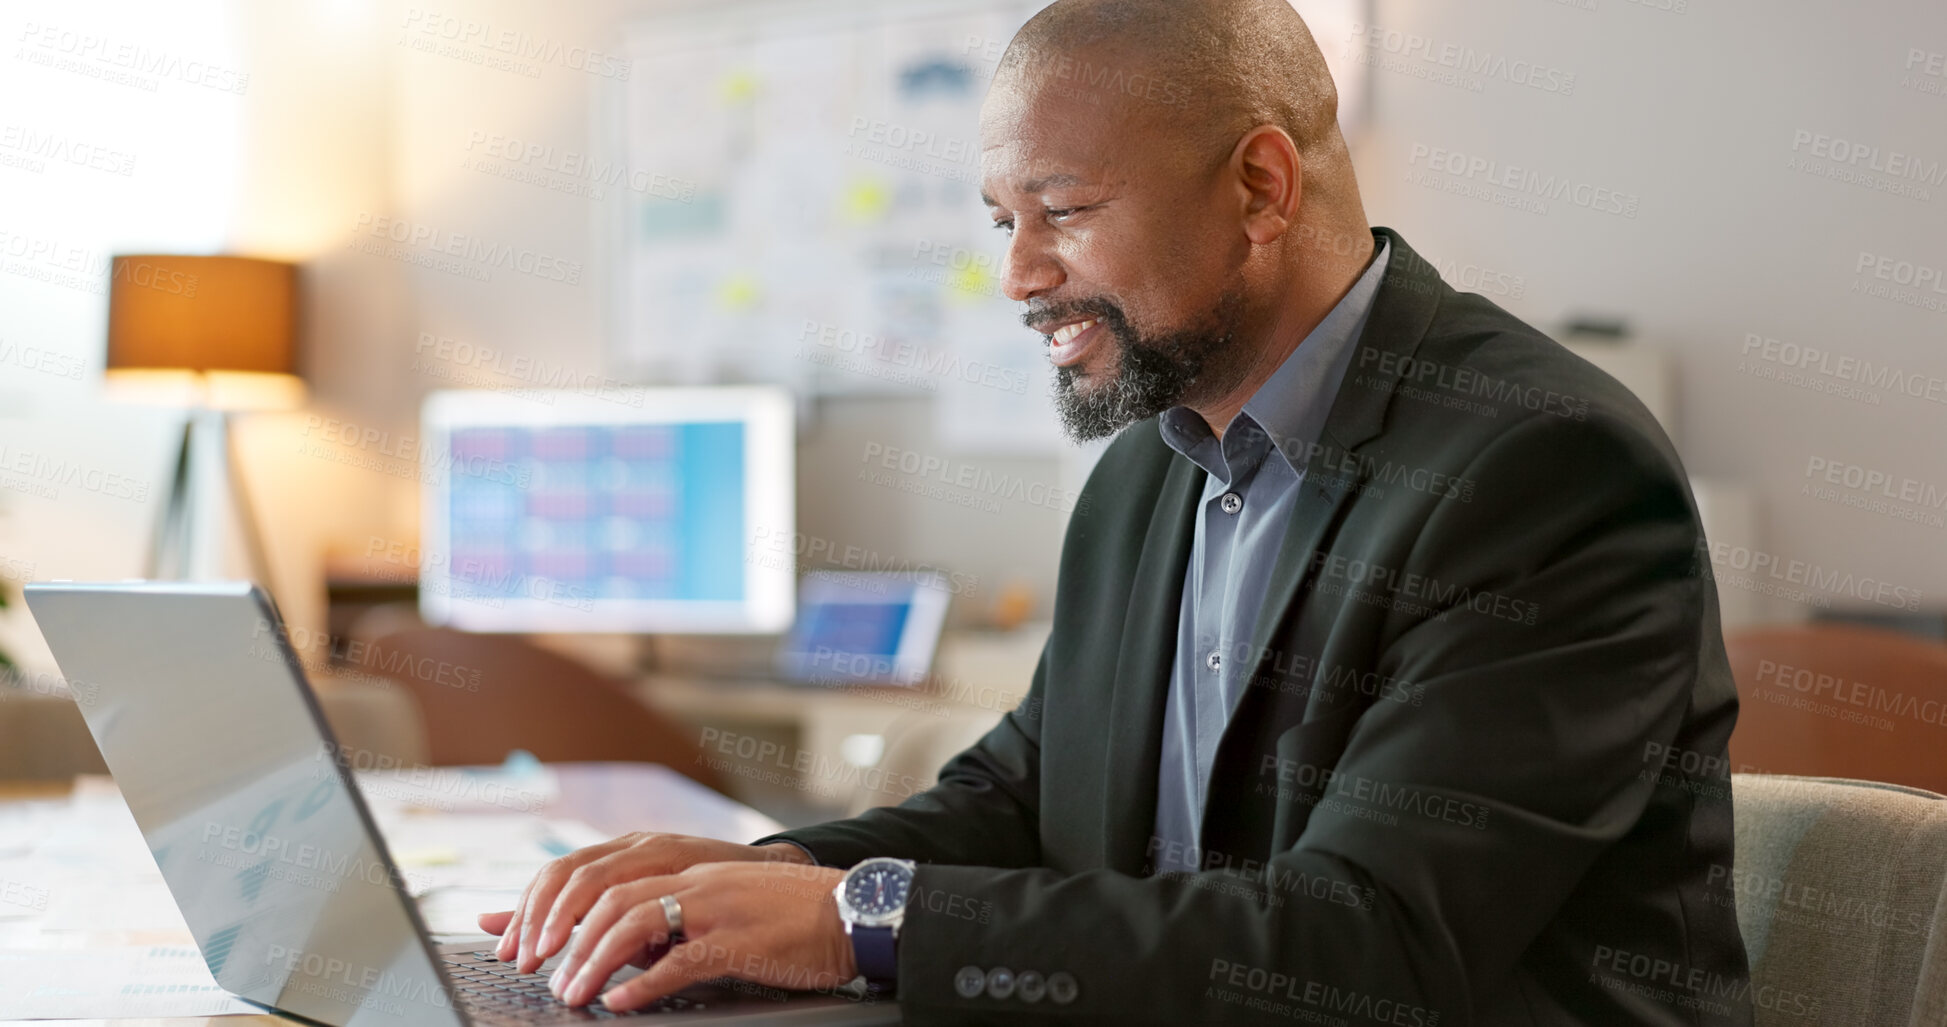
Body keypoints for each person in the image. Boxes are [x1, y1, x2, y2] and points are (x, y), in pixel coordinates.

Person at [480, 1, 1753, 1022]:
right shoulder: (1151, 464)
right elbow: (1028, 792)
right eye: (1003, 221)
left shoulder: (1542, 467)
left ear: (1261, 187)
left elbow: (1368, 945)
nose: (1020, 275)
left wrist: (865, 923)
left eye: (1065, 212)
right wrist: (781, 874)